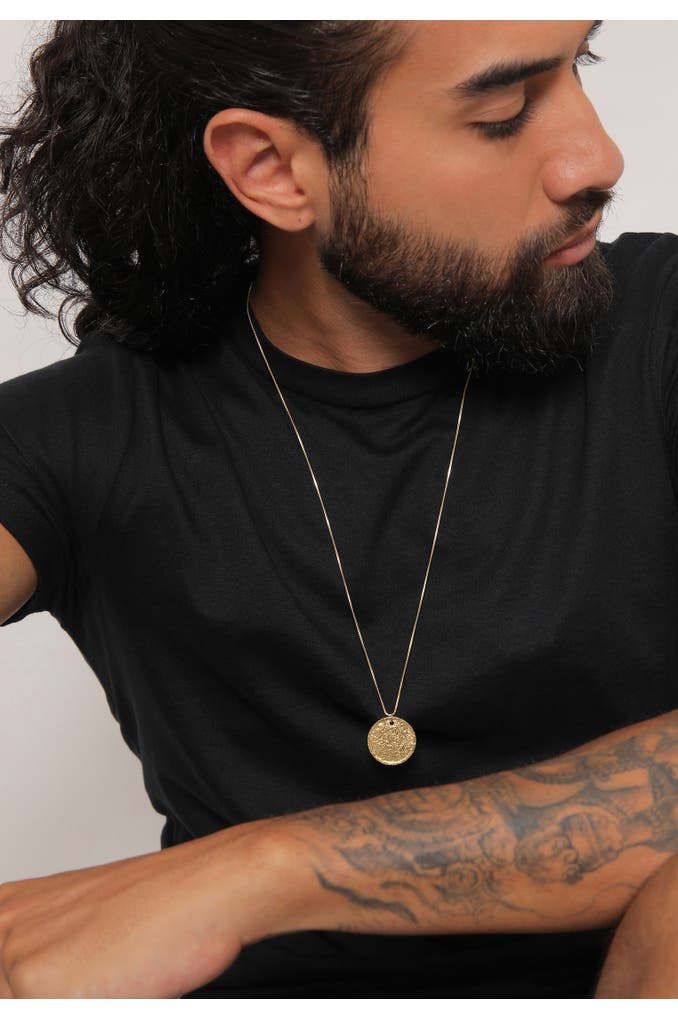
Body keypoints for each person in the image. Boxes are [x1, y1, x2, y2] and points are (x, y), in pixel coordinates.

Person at [0, 18, 677, 999]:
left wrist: (259, 873)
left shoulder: (661, 332)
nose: (597, 157)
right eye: (502, 112)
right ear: (273, 169)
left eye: (582, 66)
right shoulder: (82, 431)